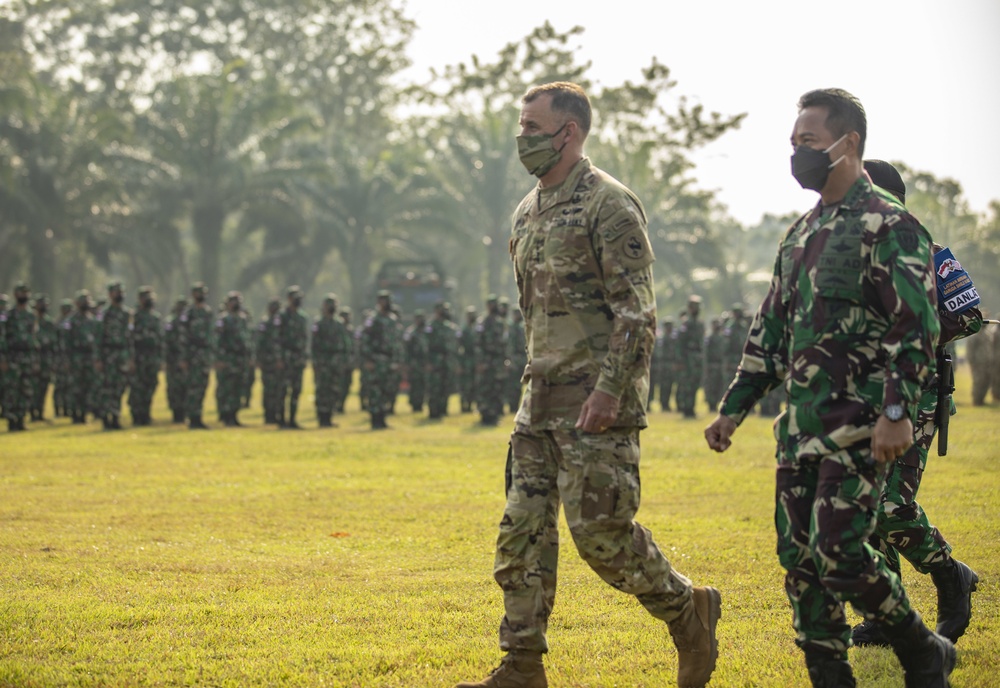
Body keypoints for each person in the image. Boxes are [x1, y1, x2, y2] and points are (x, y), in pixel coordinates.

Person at [457, 82, 720, 688]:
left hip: (597, 406)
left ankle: (689, 610)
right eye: (521, 127)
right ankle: (522, 665)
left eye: (531, 127)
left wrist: (609, 392)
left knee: (602, 539)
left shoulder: (610, 205)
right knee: (520, 535)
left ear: (567, 132)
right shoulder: (527, 211)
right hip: (538, 403)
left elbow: (638, 314)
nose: (522, 138)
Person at [704, 88, 954, 687]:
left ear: (849, 145)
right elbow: (769, 331)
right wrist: (732, 410)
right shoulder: (799, 235)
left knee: (840, 554)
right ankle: (830, 675)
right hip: (799, 430)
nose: (798, 154)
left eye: (809, 143)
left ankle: (922, 648)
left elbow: (915, 325)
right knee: (800, 564)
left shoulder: (890, 225)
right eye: (794, 144)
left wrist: (896, 410)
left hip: (861, 424)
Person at [849, 159, 981, 649]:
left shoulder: (918, 243)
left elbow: (968, 313)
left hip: (913, 393)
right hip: (864, 397)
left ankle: (951, 574)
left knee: (890, 507)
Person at [360, 290, 401, 429]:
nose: (386, 303)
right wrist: (368, 359)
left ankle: (383, 419)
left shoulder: (392, 319)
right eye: (383, 300)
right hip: (376, 359)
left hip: (388, 360)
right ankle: (375, 420)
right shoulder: (373, 320)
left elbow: (396, 342)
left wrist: (396, 360)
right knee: (375, 390)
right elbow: (365, 341)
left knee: (386, 390)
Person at [1, 281, 38, 431]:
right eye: (21, 293)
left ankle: (21, 418)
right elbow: (2, 338)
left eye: (26, 293)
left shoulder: (31, 315)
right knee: (12, 389)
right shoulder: (8, 316)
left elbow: (33, 338)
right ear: (16, 295)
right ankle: (11, 420)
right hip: (12, 357)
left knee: (26, 389)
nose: (24, 296)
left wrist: (35, 359)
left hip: (27, 357)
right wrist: (2, 358)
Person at [312, 294, 353, 427]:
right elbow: (315, 345)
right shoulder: (319, 324)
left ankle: (329, 416)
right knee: (322, 389)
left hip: (336, 362)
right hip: (323, 362)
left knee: (334, 389)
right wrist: (316, 362)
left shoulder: (339, 324)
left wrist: (345, 360)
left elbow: (346, 344)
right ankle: (322, 417)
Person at [178, 282, 214, 429]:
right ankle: (192, 417)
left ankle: (198, 417)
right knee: (193, 386)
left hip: (204, 354)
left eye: (203, 293)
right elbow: (183, 336)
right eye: (198, 293)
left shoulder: (207, 312)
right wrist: (184, 357)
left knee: (202, 386)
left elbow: (211, 335)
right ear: (193, 295)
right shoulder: (189, 313)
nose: (201, 295)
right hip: (192, 354)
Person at [215, 291, 251, 427]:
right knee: (227, 387)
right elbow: (218, 340)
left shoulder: (243, 319)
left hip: (240, 359)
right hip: (228, 358)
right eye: (233, 301)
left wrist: (248, 357)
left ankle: (234, 415)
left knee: (238, 387)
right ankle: (226, 415)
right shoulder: (223, 319)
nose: (236, 304)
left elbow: (247, 339)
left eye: (238, 301)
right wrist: (219, 359)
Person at [129, 286, 163, 426]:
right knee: (138, 386)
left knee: (151, 385)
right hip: (138, 356)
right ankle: (136, 414)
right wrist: (131, 358)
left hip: (152, 356)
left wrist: (160, 358)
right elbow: (129, 338)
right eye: (145, 298)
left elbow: (160, 339)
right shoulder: (134, 317)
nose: (149, 300)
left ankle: (146, 413)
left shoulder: (155, 317)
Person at [276, 286, 309, 429]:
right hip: (285, 357)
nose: (297, 301)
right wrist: (279, 358)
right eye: (295, 298)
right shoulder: (282, 316)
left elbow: (304, 338)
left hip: (298, 357)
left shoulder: (302, 317)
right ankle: (281, 419)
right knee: (283, 390)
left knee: (296, 390)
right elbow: (276, 338)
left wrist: (304, 357)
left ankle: (293, 419)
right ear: (288, 299)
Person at [474, 295, 507, 427]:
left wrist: (505, 360)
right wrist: (480, 362)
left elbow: (504, 344)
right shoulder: (483, 322)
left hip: (497, 361)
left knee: (496, 388)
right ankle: (485, 415)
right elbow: (478, 344)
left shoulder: (500, 322)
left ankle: (494, 414)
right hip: (486, 360)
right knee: (485, 388)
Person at [674, 296, 705, 418]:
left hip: (697, 357)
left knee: (695, 384)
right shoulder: (686, 324)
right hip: (688, 358)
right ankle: (686, 409)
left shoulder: (700, 324)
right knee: (687, 384)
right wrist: (679, 360)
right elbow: (679, 344)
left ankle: (692, 408)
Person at [30, 294, 58, 422]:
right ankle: (31, 412)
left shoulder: (49, 323)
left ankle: (40, 411)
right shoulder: (30, 319)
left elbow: (53, 342)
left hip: (46, 358)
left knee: (43, 386)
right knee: (31, 386)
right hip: (32, 357)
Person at [163, 296, 188, 423]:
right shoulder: (171, 322)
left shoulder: (187, 322)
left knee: (185, 386)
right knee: (174, 387)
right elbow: (167, 342)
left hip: (185, 359)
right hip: (173, 360)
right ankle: (176, 412)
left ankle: (184, 412)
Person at [403, 309, 430, 413]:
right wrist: (406, 364)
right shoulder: (411, 332)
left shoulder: (428, 332)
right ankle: (415, 404)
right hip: (414, 363)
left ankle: (422, 403)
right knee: (415, 385)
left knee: (424, 385)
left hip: (425, 363)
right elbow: (406, 349)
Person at [458, 306, 478, 413]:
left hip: (475, 360)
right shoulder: (464, 330)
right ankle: (464, 406)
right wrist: (460, 364)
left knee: (474, 384)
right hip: (466, 360)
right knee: (465, 384)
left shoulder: (477, 328)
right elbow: (460, 347)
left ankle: (471, 405)